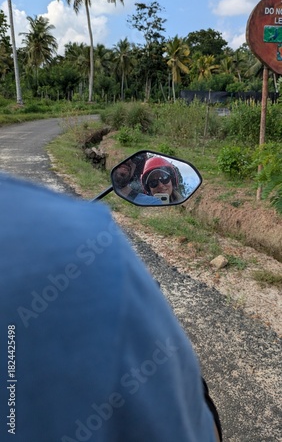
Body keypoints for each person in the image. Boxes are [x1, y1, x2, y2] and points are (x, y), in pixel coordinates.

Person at [0, 172, 221, 442]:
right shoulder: (83, 241)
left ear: (174, 179)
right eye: (153, 182)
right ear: (145, 187)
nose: (160, 184)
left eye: (164, 177)